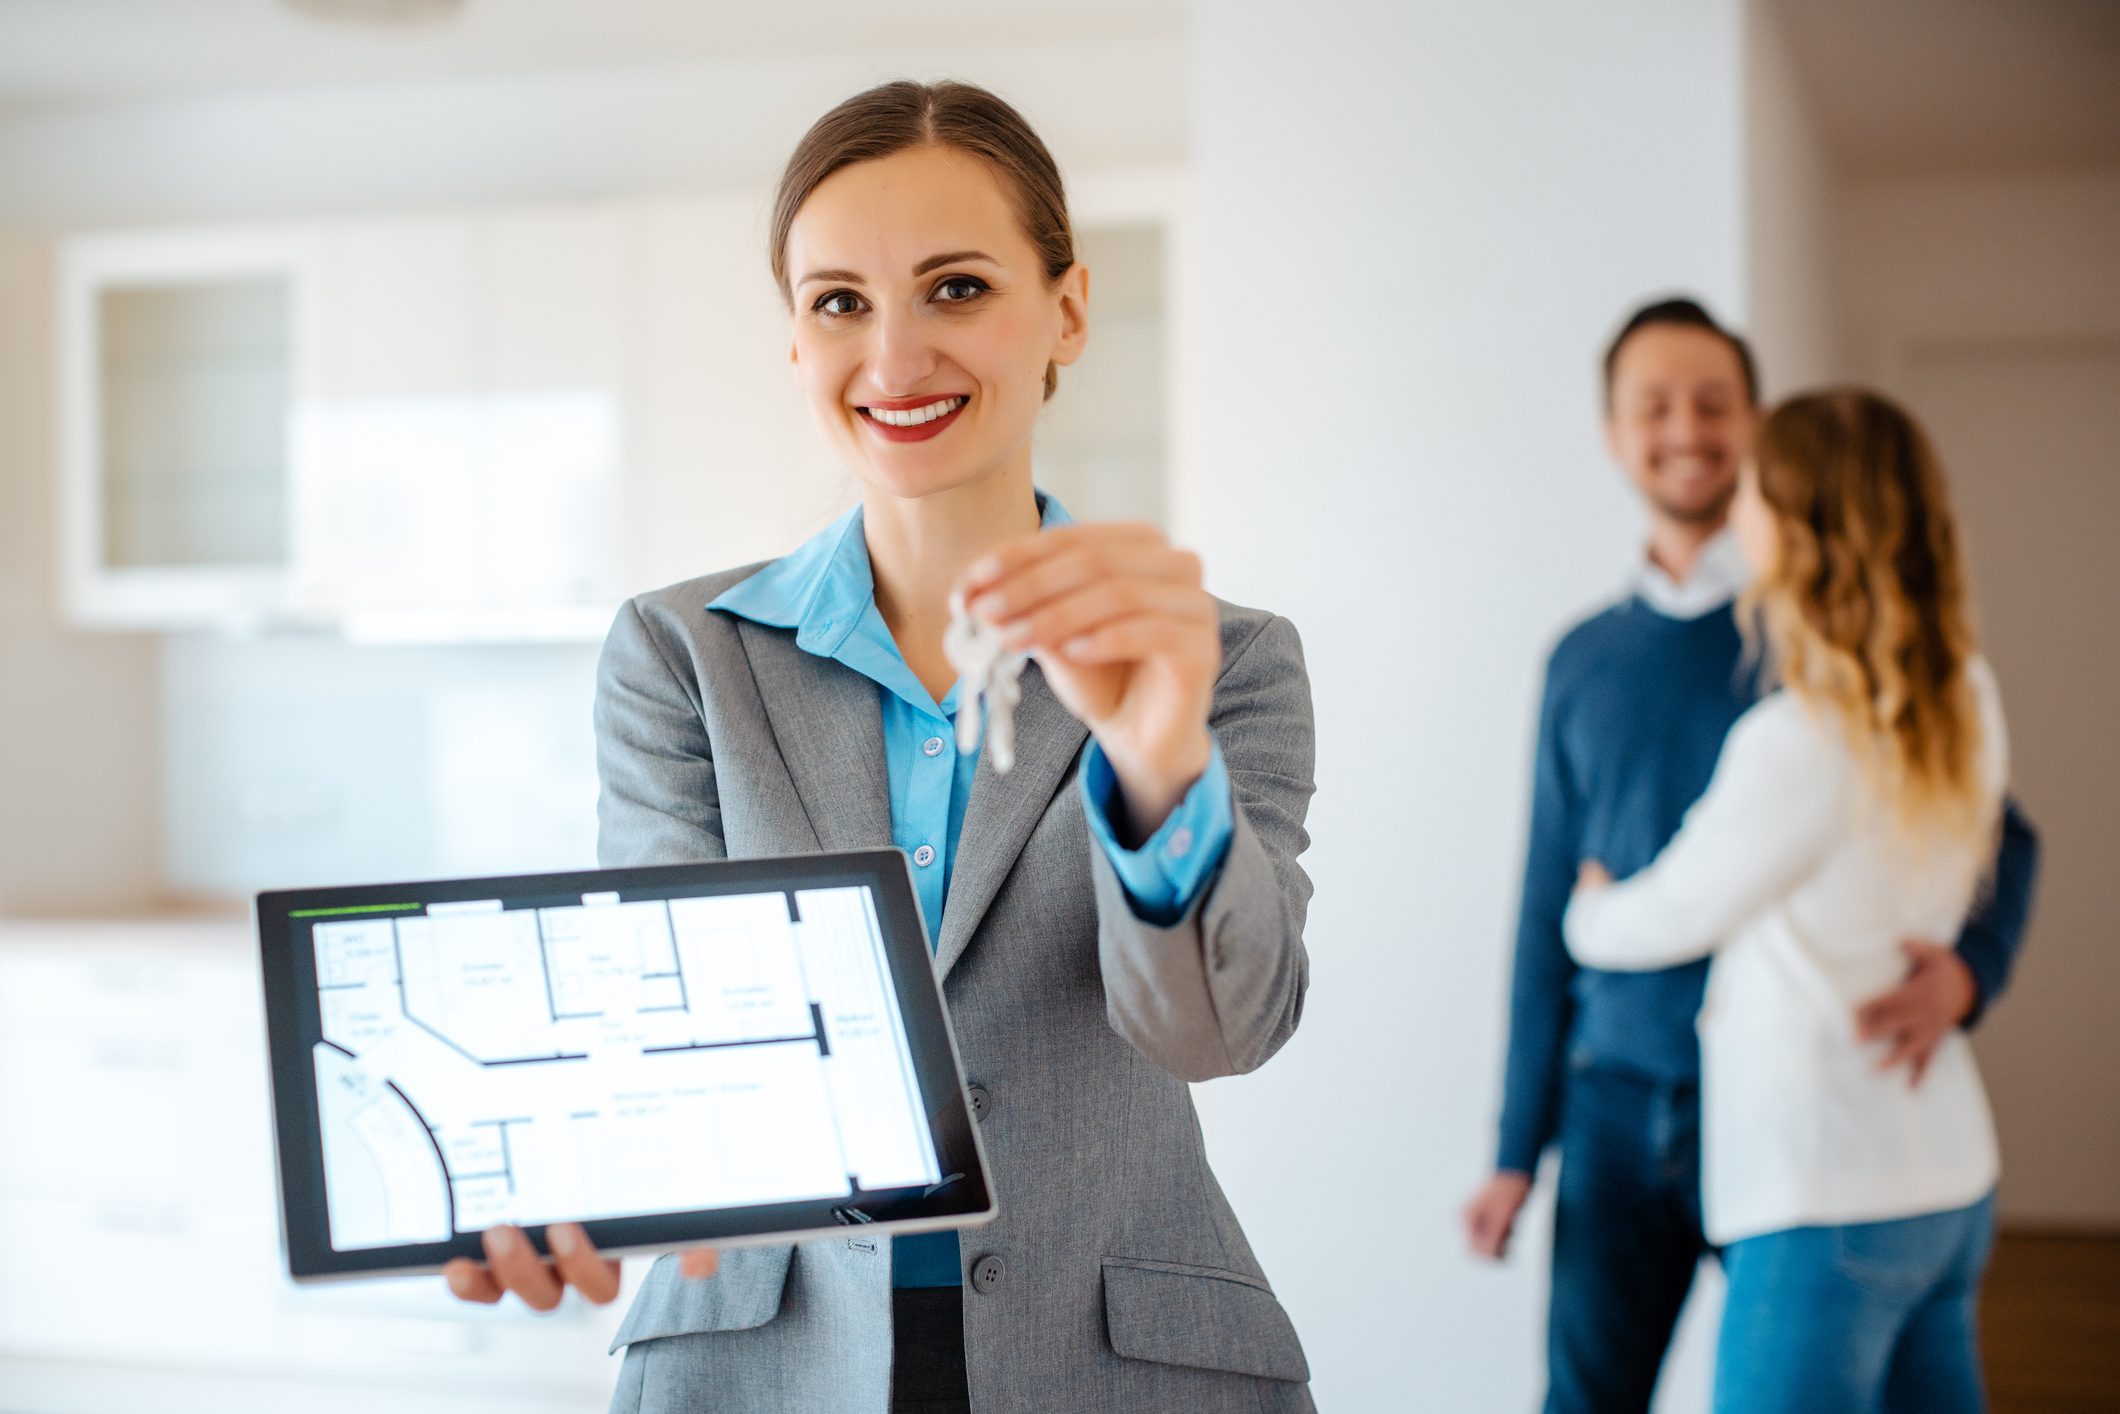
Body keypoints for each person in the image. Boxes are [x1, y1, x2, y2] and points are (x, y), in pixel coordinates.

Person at [440, 80, 1320, 1414]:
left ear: (1067, 309)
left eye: (956, 288)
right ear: (796, 343)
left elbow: (1216, 1029)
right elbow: (667, 1040)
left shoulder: (1217, 657)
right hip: (758, 1361)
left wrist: (1155, 760)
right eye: (840, 301)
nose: (895, 357)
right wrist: (556, 1159)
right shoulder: (681, 656)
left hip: (1122, 1364)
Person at [1461, 299, 2038, 1413]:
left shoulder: (1840, 660)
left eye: (1713, 403)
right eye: (1653, 404)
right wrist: (1512, 1147)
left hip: (1800, 1126)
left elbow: (1994, 834)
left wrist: (1969, 973)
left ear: (1761, 434)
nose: (1684, 429)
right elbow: (1542, 903)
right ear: (1610, 430)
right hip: (1622, 1109)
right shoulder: (1582, 660)